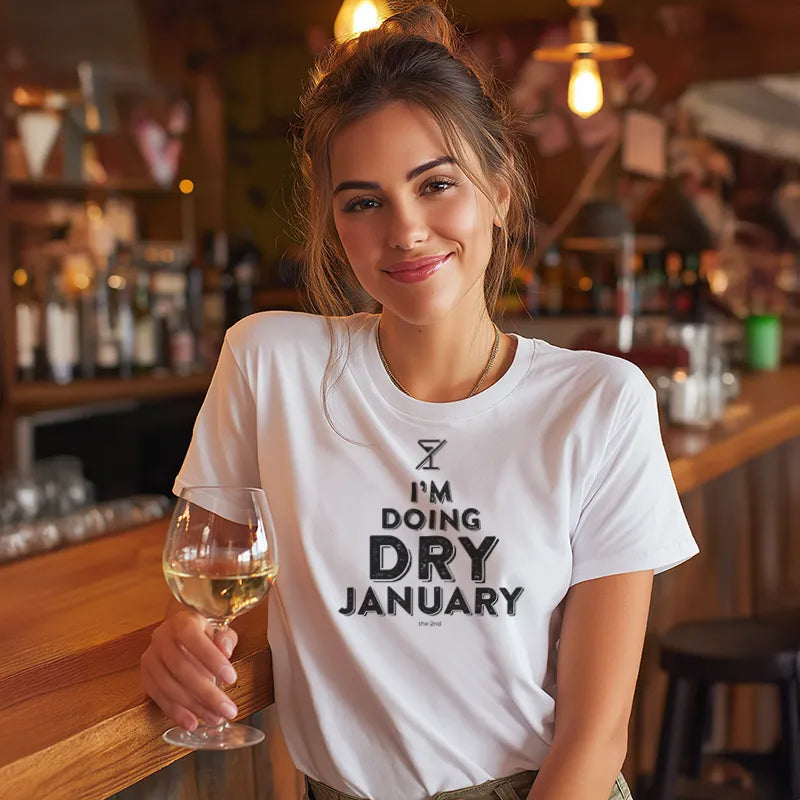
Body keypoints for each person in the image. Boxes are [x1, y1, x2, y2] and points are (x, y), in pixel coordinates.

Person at [140, 4, 699, 799]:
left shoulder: (601, 405)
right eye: (363, 202)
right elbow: (205, 583)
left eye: (436, 185)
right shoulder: (268, 364)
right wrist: (183, 634)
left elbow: (596, 735)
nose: (405, 231)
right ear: (332, 223)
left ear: (497, 191)